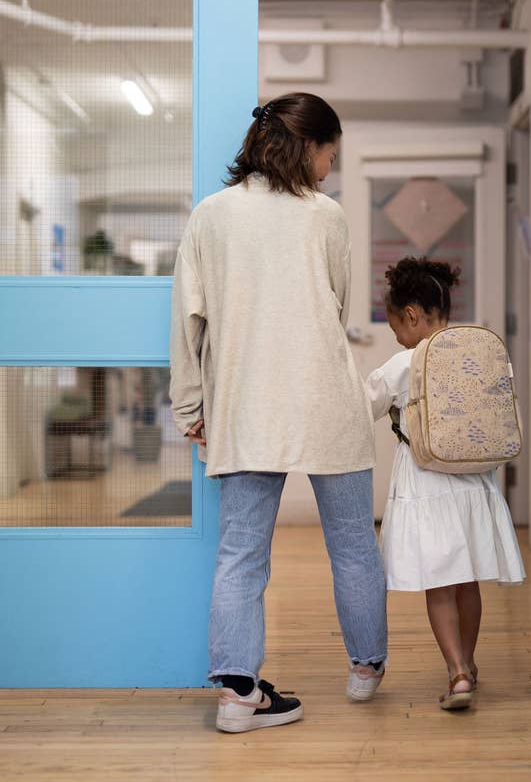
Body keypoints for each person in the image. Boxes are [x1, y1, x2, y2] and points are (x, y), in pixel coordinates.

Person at [169, 92, 387, 734]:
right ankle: (365, 670)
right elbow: (338, 307)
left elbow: (187, 319)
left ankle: (237, 698)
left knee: (240, 554)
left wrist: (191, 406)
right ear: (307, 147)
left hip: (245, 404)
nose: (330, 169)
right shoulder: (327, 216)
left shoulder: (210, 216)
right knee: (353, 545)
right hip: (325, 399)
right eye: (330, 155)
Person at [365, 257, 525, 709]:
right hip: (476, 482)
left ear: (412, 315)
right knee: (468, 580)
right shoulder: (479, 352)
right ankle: (468, 666)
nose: (396, 333)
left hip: (427, 484)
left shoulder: (405, 362)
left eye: (395, 322)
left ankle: (455, 671)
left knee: (440, 583)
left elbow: (363, 407)